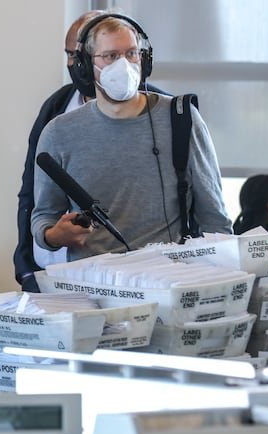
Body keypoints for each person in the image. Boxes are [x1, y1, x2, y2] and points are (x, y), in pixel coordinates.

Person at [31, 14, 231, 262]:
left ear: (144, 61)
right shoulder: (58, 132)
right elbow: (43, 216)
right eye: (111, 56)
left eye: (132, 54)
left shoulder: (181, 119)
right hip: (91, 285)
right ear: (84, 65)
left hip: (170, 278)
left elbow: (214, 218)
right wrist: (53, 236)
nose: (124, 65)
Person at [13, 10, 172, 290]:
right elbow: (36, 199)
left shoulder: (172, 115)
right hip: (74, 276)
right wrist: (28, 262)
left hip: (160, 277)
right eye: (70, 55)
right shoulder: (56, 115)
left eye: (130, 54)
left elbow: (209, 212)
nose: (73, 63)